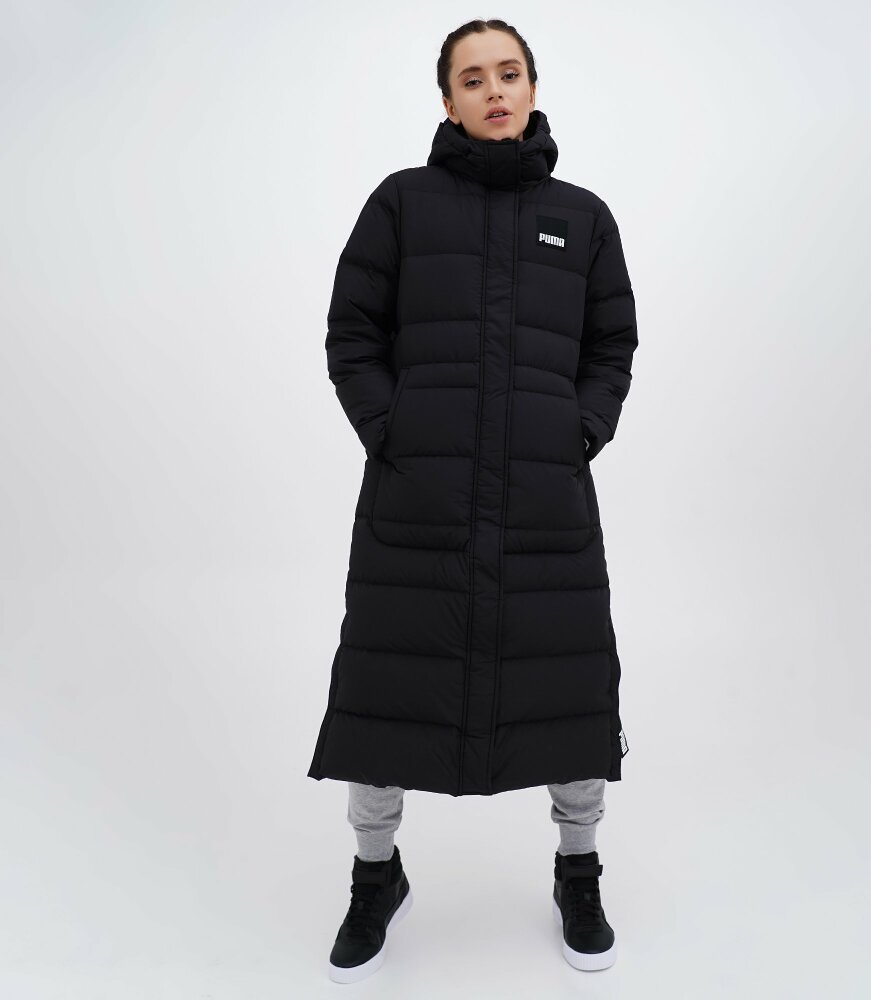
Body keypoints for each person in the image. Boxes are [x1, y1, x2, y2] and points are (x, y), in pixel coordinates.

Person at [307, 18, 639, 983]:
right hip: (419, 500)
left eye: (509, 73)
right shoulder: (401, 204)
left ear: (533, 87)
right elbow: (351, 333)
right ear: (447, 101)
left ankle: (579, 871)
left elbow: (611, 345)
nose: (495, 91)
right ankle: (376, 876)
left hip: (544, 503)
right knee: (386, 687)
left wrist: (578, 432)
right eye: (473, 78)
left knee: (569, 687)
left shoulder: (583, 219)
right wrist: (393, 430)